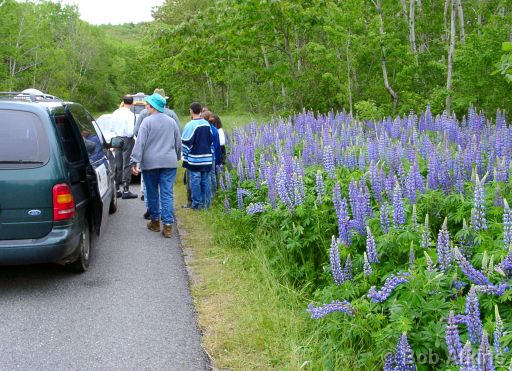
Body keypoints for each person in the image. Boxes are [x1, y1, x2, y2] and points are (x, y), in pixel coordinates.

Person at [130, 93, 181, 238]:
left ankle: (155, 222)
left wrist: (134, 161)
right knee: (167, 193)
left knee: (152, 192)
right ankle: (168, 226)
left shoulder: (147, 122)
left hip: (150, 163)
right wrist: (176, 157)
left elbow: (140, 143)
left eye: (148, 104)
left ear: (153, 107)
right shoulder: (171, 121)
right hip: (169, 162)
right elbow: (178, 143)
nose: (146, 106)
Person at [182, 102, 213, 210]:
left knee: (195, 181)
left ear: (191, 111)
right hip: (207, 158)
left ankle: (197, 205)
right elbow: (211, 140)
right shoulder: (206, 124)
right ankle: (207, 205)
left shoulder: (190, 125)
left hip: (195, 159)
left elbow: (185, 143)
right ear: (200, 111)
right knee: (206, 181)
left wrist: (185, 155)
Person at [110, 95, 137, 199]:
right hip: (127, 140)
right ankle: (126, 189)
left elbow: (111, 127)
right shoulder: (131, 115)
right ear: (132, 103)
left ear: (123, 101)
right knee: (127, 164)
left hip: (117, 139)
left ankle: (116, 188)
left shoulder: (116, 112)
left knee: (118, 164)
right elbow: (131, 130)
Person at [201, 110, 222, 195]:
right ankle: (215, 193)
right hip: (213, 155)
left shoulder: (204, 129)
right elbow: (217, 145)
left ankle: (207, 193)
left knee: (206, 175)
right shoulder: (215, 129)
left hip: (205, 155)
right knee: (212, 174)